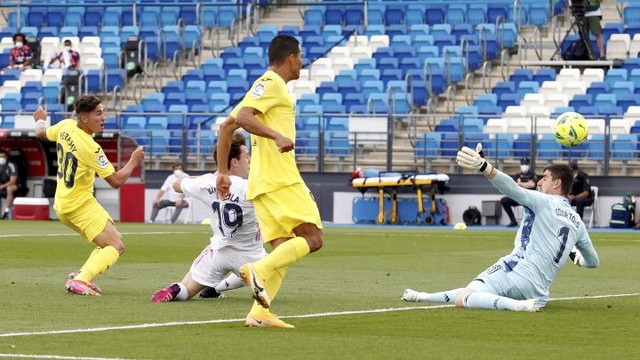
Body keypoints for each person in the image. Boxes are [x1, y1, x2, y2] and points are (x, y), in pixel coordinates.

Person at [402, 144, 599, 311]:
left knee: (465, 299)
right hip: (539, 292)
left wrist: (485, 167)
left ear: (557, 183)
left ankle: (515, 306)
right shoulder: (577, 221)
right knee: (474, 290)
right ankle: (422, 296)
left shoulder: (544, 201)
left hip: (516, 270)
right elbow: (593, 262)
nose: (539, 182)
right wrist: (577, 258)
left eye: (545, 178)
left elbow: (512, 188)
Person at [216, 34, 323, 328]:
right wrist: (276, 135)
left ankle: (259, 312)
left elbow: (228, 125)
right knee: (313, 239)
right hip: (280, 178)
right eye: (300, 56)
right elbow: (245, 117)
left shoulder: (263, 87)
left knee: (284, 249)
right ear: (291, 57)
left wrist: (222, 172)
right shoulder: (272, 83)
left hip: (261, 183)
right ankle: (255, 269)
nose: (302, 62)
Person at [33, 96, 145, 296]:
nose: (104, 117)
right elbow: (116, 181)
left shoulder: (65, 126)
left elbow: (41, 133)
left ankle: (82, 275)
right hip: (80, 204)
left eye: (103, 112)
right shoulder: (91, 147)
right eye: (98, 113)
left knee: (109, 242)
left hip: (63, 204)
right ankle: (81, 280)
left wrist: (40, 119)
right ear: (84, 118)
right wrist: (134, 160)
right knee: (116, 246)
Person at [151, 140, 260, 302]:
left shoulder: (206, 182)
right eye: (247, 156)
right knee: (278, 265)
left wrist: (199, 180)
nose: (249, 161)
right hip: (250, 255)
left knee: (185, 290)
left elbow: (176, 185)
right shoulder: (250, 187)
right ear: (234, 162)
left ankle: (177, 289)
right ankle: (220, 286)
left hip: (218, 254)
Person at [500, 157, 538, 227]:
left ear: (528, 165)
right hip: (519, 197)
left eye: (526, 164)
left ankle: (533, 223)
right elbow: (514, 186)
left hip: (529, 199)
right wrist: (527, 184)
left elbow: (533, 185)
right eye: (523, 164)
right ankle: (513, 221)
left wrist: (520, 183)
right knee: (504, 200)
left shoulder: (533, 175)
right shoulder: (517, 176)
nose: (524, 166)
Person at [0, 148, 19, 219]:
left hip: (15, 186)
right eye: (0, 157)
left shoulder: (11, 165)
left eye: (3, 156)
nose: (1, 158)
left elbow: (13, 181)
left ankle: (6, 211)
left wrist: (2, 187)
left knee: (9, 188)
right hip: (2, 186)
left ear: (6, 157)